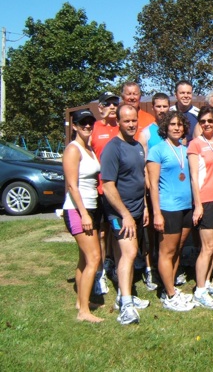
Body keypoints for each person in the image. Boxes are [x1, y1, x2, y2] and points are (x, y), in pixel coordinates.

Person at [101, 104, 150, 325]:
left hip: (138, 209)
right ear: (118, 122)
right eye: (126, 121)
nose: (131, 124)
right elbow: (108, 186)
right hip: (120, 213)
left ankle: (125, 294)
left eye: (133, 120)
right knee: (129, 254)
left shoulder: (137, 145)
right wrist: (125, 214)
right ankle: (126, 308)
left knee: (129, 254)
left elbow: (140, 178)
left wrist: (145, 207)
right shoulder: (113, 148)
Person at [147, 111, 195, 312]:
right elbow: (152, 184)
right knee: (167, 252)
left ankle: (171, 287)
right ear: (165, 127)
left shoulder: (185, 149)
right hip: (168, 207)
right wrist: (157, 213)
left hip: (186, 207)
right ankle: (170, 295)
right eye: (173, 124)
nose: (176, 128)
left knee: (177, 249)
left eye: (180, 124)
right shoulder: (157, 150)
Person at [62, 109, 103, 323]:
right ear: (75, 126)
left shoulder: (88, 148)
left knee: (84, 258)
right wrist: (84, 214)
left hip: (91, 207)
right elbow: (72, 185)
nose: (87, 126)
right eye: (82, 123)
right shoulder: (73, 149)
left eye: (90, 122)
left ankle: (81, 301)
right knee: (94, 258)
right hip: (78, 210)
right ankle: (84, 312)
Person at [187, 106, 213, 309]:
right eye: (202, 121)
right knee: (207, 247)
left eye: (210, 121)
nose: (206, 124)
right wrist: (198, 205)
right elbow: (194, 177)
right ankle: (200, 290)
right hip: (206, 199)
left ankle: (208, 281)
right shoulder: (195, 144)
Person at [138, 92, 170, 292]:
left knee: (168, 232)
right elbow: (142, 165)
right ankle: (150, 268)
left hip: (170, 190)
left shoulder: (174, 130)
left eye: (165, 106)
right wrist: (148, 186)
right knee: (151, 231)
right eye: (158, 106)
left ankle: (169, 268)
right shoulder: (147, 133)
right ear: (153, 108)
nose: (162, 110)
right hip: (153, 189)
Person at [89, 91, 120, 295]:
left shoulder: (122, 127)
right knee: (99, 232)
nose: (112, 107)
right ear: (100, 107)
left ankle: (113, 264)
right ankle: (98, 272)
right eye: (108, 104)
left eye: (115, 103)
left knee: (115, 232)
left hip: (118, 191)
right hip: (98, 189)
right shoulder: (92, 129)